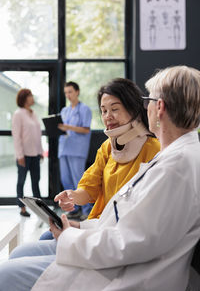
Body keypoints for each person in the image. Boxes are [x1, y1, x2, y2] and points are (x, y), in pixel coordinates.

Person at [1, 65, 199, 291]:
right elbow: (124, 219)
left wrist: (72, 236)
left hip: (119, 268)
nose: (108, 117)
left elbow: (130, 241)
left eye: (148, 101)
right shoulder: (173, 158)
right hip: (105, 245)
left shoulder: (173, 165)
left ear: (160, 106)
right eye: (104, 110)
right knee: (20, 255)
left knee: (6, 273)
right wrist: (79, 227)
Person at [39, 77, 160, 240]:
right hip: (98, 224)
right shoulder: (107, 147)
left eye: (114, 109)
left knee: (46, 238)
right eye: (103, 111)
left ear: (133, 109)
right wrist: (72, 196)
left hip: (119, 233)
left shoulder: (153, 149)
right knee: (47, 235)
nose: (108, 116)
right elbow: (89, 189)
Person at [57, 81, 93, 220]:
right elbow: (62, 129)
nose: (68, 95)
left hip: (77, 149)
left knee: (79, 181)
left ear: (77, 92)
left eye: (70, 92)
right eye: (66, 93)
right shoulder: (64, 111)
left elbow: (85, 129)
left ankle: (86, 210)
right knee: (66, 181)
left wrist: (68, 127)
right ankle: (74, 209)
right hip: (64, 148)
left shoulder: (84, 109)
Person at [12, 88, 43, 217]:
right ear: (24, 98)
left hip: (35, 154)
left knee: (36, 181)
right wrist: (20, 155)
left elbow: (37, 134)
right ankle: (22, 208)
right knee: (21, 181)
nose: (32, 97)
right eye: (30, 95)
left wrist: (40, 151)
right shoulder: (18, 114)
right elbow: (16, 136)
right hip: (23, 155)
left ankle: (41, 208)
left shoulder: (33, 113)